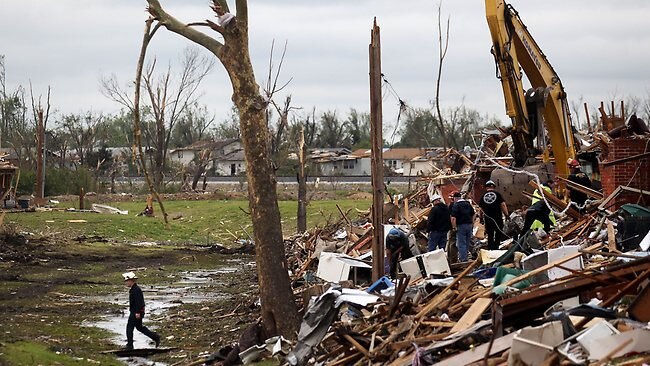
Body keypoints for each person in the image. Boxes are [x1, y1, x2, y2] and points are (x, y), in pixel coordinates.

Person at [123, 272, 160, 350]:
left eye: (127, 280)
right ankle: (156, 337)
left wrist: (138, 312)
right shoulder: (134, 289)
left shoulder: (136, 290)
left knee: (129, 327)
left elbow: (139, 302)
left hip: (136, 312)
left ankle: (130, 345)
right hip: (137, 312)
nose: (126, 282)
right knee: (139, 327)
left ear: (131, 281)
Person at [478, 180, 509, 250]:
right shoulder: (498, 194)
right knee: (498, 232)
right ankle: (496, 247)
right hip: (498, 217)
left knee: (490, 234)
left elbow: (480, 209)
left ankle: (490, 248)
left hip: (488, 219)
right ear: (493, 187)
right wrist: (506, 215)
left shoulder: (483, 196)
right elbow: (503, 205)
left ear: (486, 187)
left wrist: (481, 218)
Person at [450, 191, 475, 262]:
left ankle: (463, 259)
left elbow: (453, 218)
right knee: (467, 242)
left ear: (455, 198)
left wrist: (454, 227)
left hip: (461, 225)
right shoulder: (467, 204)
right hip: (469, 225)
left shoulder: (456, 205)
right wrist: (472, 222)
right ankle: (466, 256)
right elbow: (473, 214)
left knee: (461, 243)